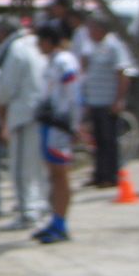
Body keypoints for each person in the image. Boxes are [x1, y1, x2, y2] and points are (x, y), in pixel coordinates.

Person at [0, 15, 48, 228]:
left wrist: (0, 100)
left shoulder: (16, 49)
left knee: (20, 167)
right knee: (37, 165)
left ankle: (27, 212)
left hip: (23, 114)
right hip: (41, 111)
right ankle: (41, 204)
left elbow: (6, 88)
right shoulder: (34, 43)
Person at [33, 24, 82, 244]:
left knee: (60, 174)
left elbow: (73, 94)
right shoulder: (51, 61)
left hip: (60, 125)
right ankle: (54, 220)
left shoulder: (64, 61)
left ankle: (61, 224)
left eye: (40, 41)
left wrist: (74, 124)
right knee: (52, 174)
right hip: (49, 123)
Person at [82, 15, 132, 189]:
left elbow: (122, 74)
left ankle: (111, 175)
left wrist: (119, 99)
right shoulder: (93, 46)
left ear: (100, 29)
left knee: (109, 140)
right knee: (97, 141)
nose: (89, 32)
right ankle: (99, 173)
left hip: (108, 101)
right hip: (94, 100)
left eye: (92, 28)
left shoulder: (114, 45)